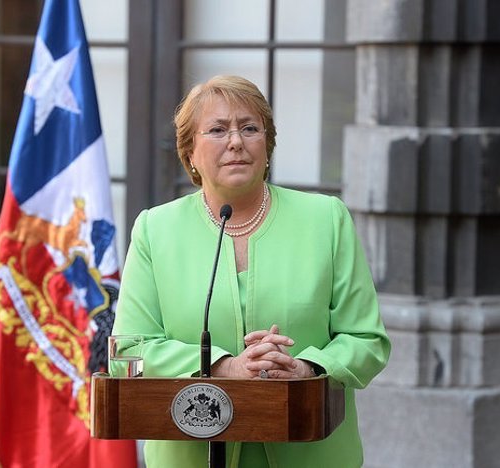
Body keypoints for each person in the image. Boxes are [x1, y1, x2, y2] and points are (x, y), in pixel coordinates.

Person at [112, 75, 390, 467]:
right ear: (190, 152)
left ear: (267, 144)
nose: (236, 142)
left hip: (308, 451)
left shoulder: (326, 219)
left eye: (249, 128)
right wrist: (226, 367)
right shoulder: (155, 230)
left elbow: (366, 340)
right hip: (193, 451)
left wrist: (307, 368)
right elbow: (130, 349)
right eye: (217, 130)